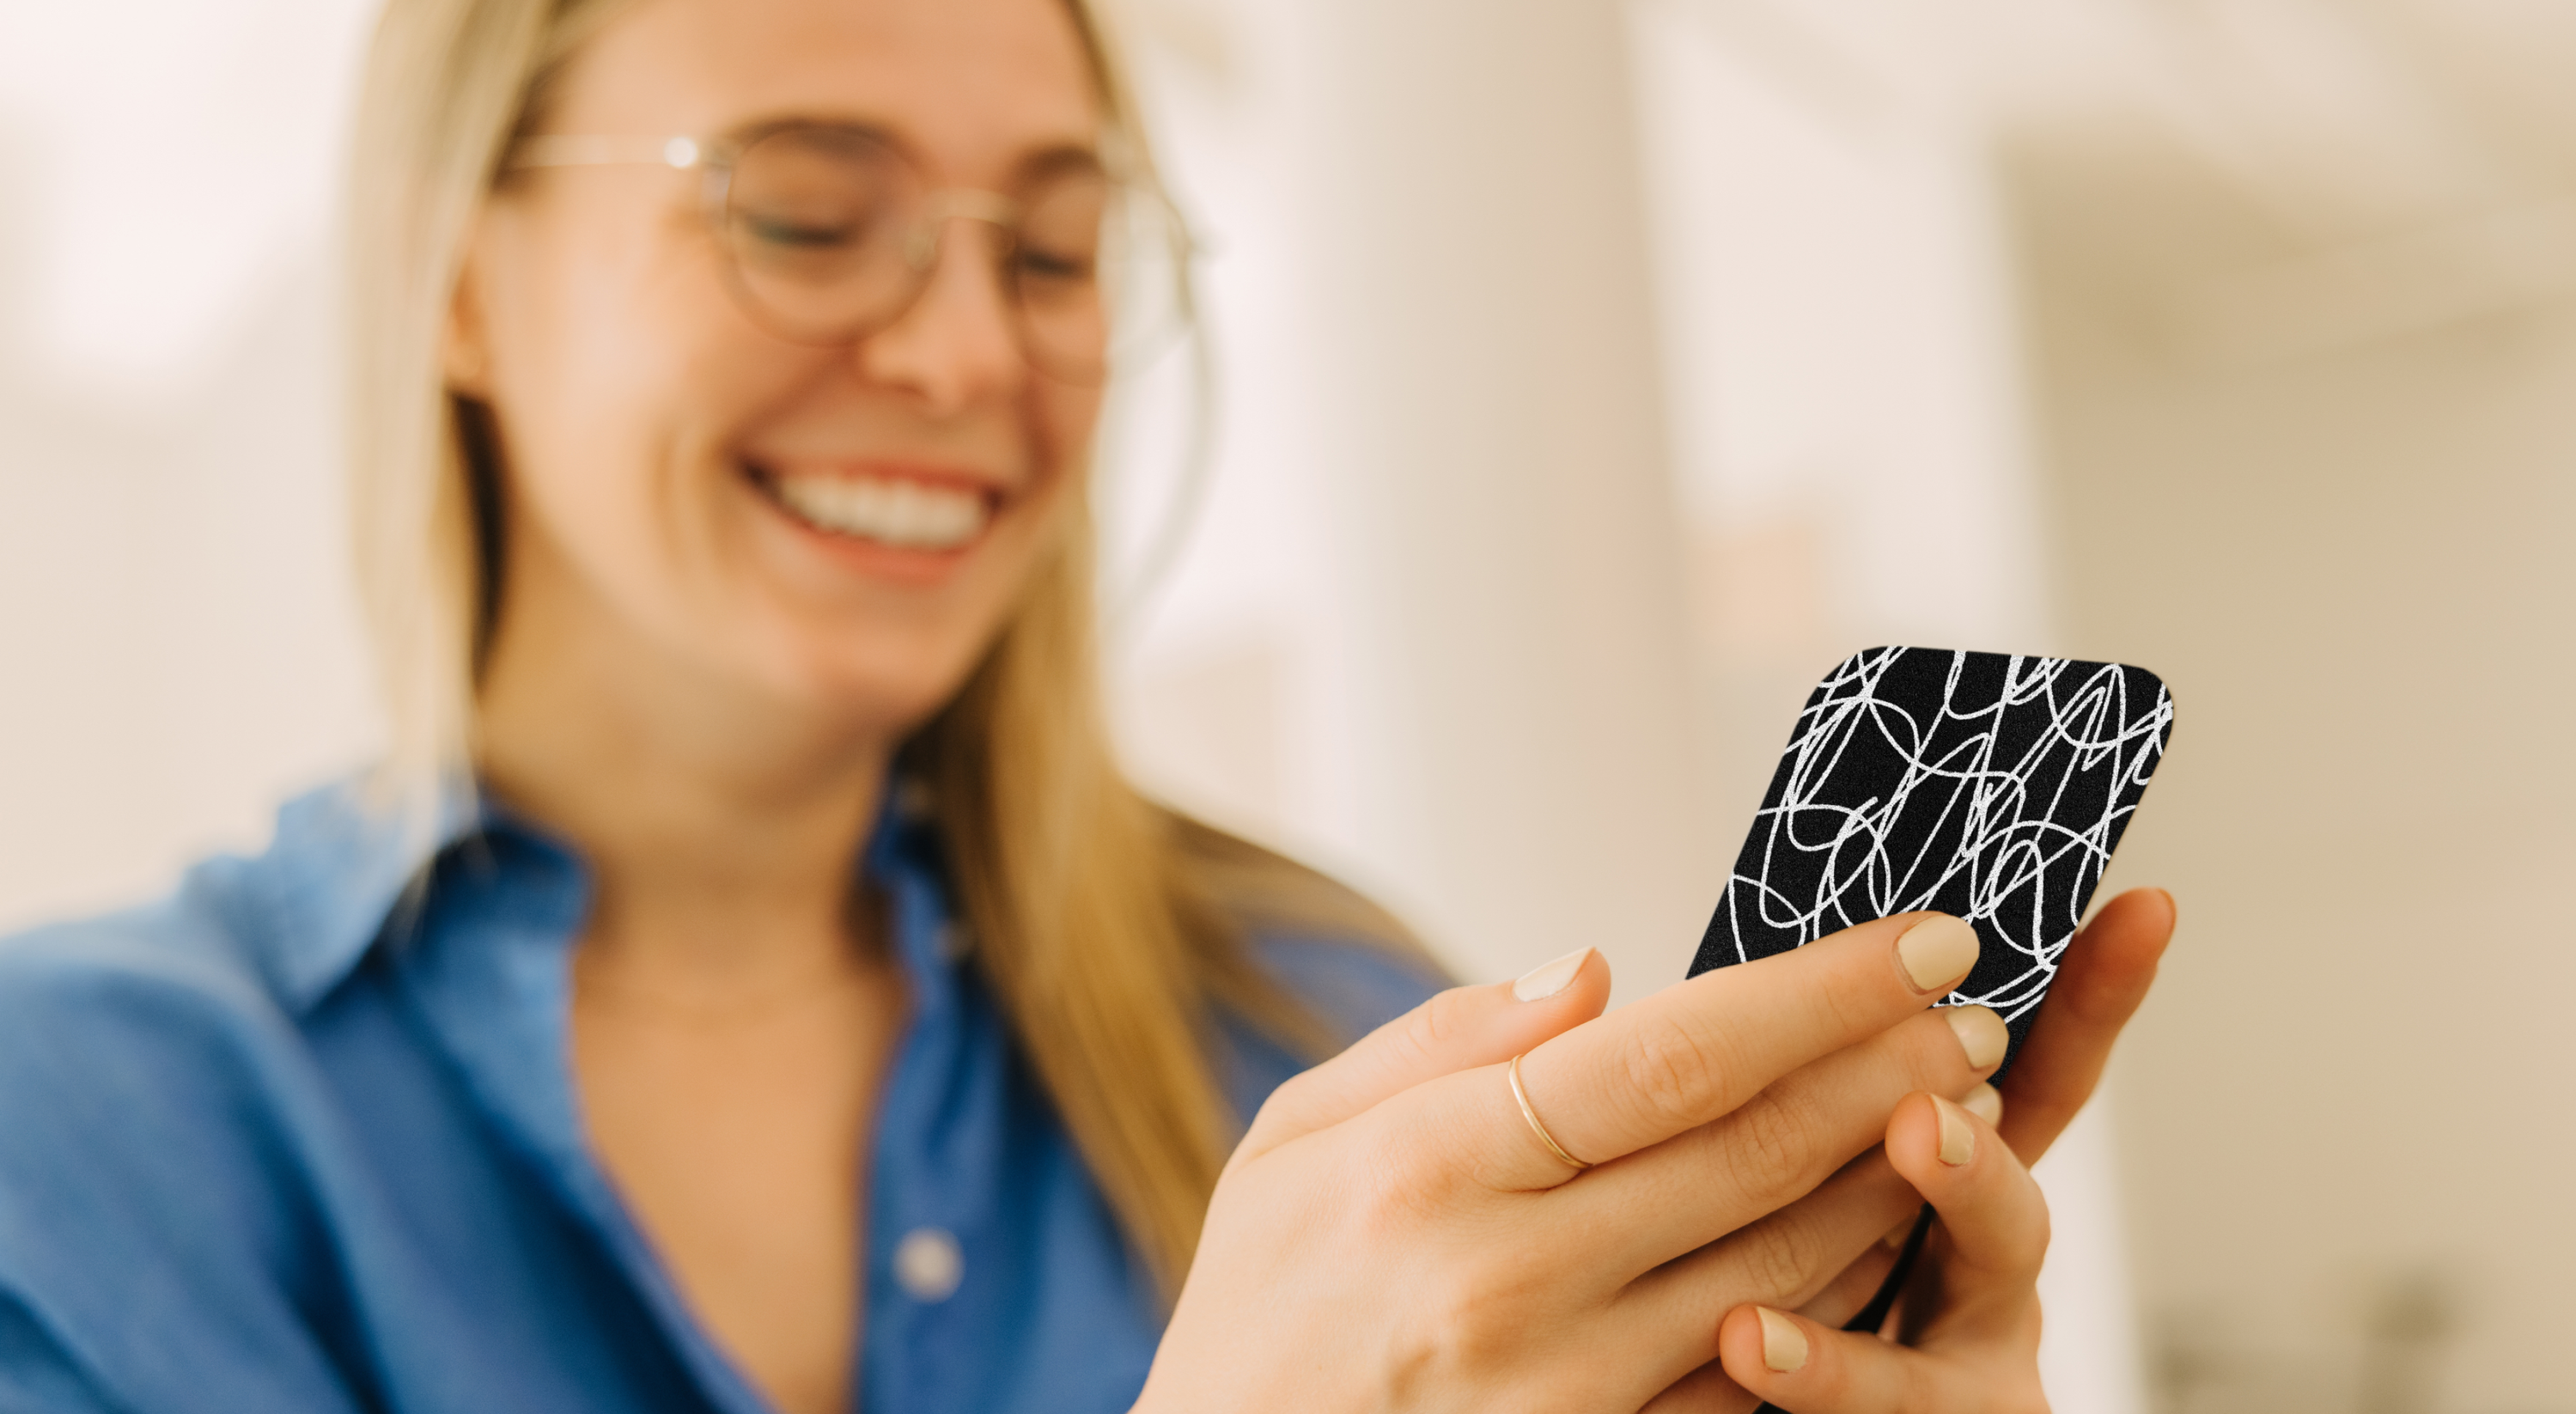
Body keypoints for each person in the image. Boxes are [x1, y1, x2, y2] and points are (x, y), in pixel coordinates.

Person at [0, 0, 2178, 1410]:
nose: (967, 354)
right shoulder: (77, 1132)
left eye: (1049, 252)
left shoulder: (1334, 1031)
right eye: (806, 210)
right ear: (454, 274)